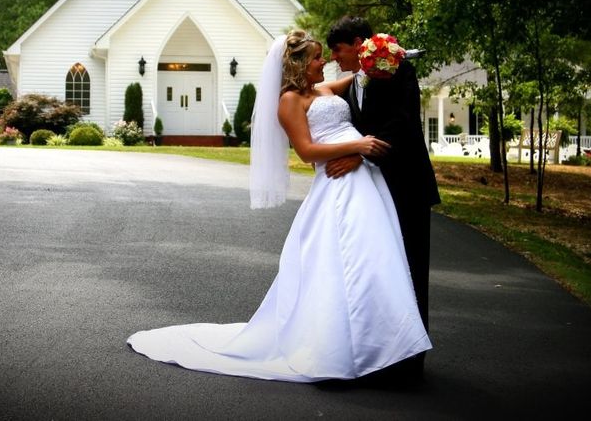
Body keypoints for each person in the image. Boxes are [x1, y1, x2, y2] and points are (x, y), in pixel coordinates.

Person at [127, 30, 431, 382]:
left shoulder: (325, 90)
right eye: (318, 57)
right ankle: (337, 348)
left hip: (365, 181)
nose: (326, 62)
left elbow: (365, 74)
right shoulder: (288, 101)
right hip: (337, 182)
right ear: (298, 64)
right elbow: (306, 152)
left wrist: (391, 54)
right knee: (345, 261)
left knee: (375, 261)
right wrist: (357, 147)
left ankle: (377, 344)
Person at [325, 16, 440, 380]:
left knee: (410, 269)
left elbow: (403, 123)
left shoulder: (399, 67)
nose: (334, 58)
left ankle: (410, 362)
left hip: (406, 185)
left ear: (359, 43)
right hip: (371, 193)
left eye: (338, 50)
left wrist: (359, 153)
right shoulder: (350, 80)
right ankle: (378, 353)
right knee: (378, 272)